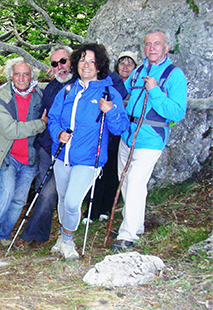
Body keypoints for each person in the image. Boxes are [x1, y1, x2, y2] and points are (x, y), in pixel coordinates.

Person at [47, 43, 129, 260]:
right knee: (63, 200)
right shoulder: (66, 90)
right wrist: (58, 134)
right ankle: (63, 235)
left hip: (89, 159)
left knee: (73, 201)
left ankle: (67, 240)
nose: (86, 65)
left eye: (92, 61)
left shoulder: (109, 92)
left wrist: (110, 111)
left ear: (100, 66)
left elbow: (120, 127)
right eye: (82, 60)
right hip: (62, 156)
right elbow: (53, 119)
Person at [113, 30, 187, 252]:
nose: (152, 48)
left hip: (151, 137)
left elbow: (177, 112)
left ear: (166, 48)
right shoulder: (137, 72)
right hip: (128, 135)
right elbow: (120, 92)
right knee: (126, 181)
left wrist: (154, 90)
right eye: (148, 44)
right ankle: (137, 226)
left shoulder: (174, 75)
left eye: (157, 44)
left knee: (135, 181)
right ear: (144, 48)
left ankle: (127, 236)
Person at [0, 56, 48, 251]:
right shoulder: (1, 97)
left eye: (25, 74)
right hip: (8, 155)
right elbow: (10, 130)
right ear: (11, 75)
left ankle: (3, 235)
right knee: (6, 192)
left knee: (19, 200)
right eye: (17, 74)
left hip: (30, 158)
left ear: (31, 77)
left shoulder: (40, 94)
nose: (21, 78)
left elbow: (60, 88)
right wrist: (40, 124)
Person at [17, 45, 73, 246]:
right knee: (44, 191)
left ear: (72, 61)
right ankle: (36, 235)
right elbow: (44, 117)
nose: (60, 67)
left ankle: (37, 234)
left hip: (70, 151)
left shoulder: (84, 83)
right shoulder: (50, 88)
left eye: (63, 61)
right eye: (55, 64)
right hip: (47, 147)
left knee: (50, 191)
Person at [83, 51, 137, 223]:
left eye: (130, 63)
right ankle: (92, 211)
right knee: (99, 173)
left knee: (114, 173)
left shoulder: (138, 86)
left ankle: (106, 208)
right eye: (122, 62)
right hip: (105, 135)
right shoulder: (110, 83)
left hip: (123, 136)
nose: (126, 66)